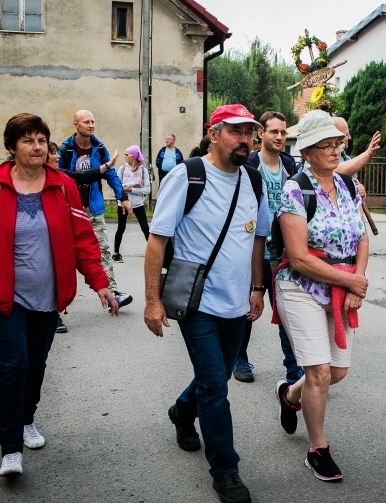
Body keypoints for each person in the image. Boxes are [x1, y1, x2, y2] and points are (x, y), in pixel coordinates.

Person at [0, 113, 118, 477]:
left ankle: (26, 419)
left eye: (40, 140)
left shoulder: (63, 186)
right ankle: (10, 449)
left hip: (48, 298)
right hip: (7, 298)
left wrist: (100, 282)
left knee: (35, 365)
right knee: (13, 365)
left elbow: (83, 240)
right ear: (11, 147)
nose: (36, 147)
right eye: (27, 140)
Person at [144, 104, 268, 503]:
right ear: (213, 134)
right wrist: (152, 301)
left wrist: (258, 287)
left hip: (237, 303)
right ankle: (226, 471)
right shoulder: (188, 175)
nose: (245, 140)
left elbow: (258, 239)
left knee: (219, 374)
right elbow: (157, 241)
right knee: (215, 386)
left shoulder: (254, 180)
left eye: (249, 133)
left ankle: (182, 411)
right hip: (196, 302)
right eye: (235, 132)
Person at [273, 110, 368, 482]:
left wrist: (357, 279)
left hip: (341, 286)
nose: (334, 151)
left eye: (337, 143)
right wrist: (350, 282)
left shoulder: (346, 185)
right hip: (302, 287)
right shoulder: (295, 189)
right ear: (307, 152)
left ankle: (290, 395)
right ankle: (318, 449)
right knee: (321, 373)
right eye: (324, 145)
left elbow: (362, 237)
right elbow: (298, 257)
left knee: (337, 372)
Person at [234, 110, 304, 384]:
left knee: (286, 312)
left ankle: (294, 370)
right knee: (247, 309)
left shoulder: (289, 164)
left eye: (283, 132)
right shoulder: (249, 164)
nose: (279, 136)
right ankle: (239, 359)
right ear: (261, 133)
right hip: (252, 249)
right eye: (274, 131)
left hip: (282, 252)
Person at [58, 110, 133, 309]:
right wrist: (101, 169)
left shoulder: (99, 149)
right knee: (61, 255)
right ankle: (55, 301)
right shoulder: (65, 149)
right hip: (68, 209)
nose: (91, 125)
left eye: (93, 121)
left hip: (93, 208)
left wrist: (123, 197)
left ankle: (113, 294)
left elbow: (110, 174)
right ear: (75, 125)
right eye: (86, 122)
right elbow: (62, 175)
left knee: (103, 251)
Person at [112, 145, 150, 263]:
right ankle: (116, 253)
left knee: (145, 227)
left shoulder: (143, 171)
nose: (124, 156)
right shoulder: (122, 169)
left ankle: (152, 252)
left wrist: (132, 190)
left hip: (138, 204)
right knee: (121, 228)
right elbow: (117, 186)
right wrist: (133, 183)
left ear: (133, 156)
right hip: (123, 204)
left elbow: (147, 189)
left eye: (126, 155)